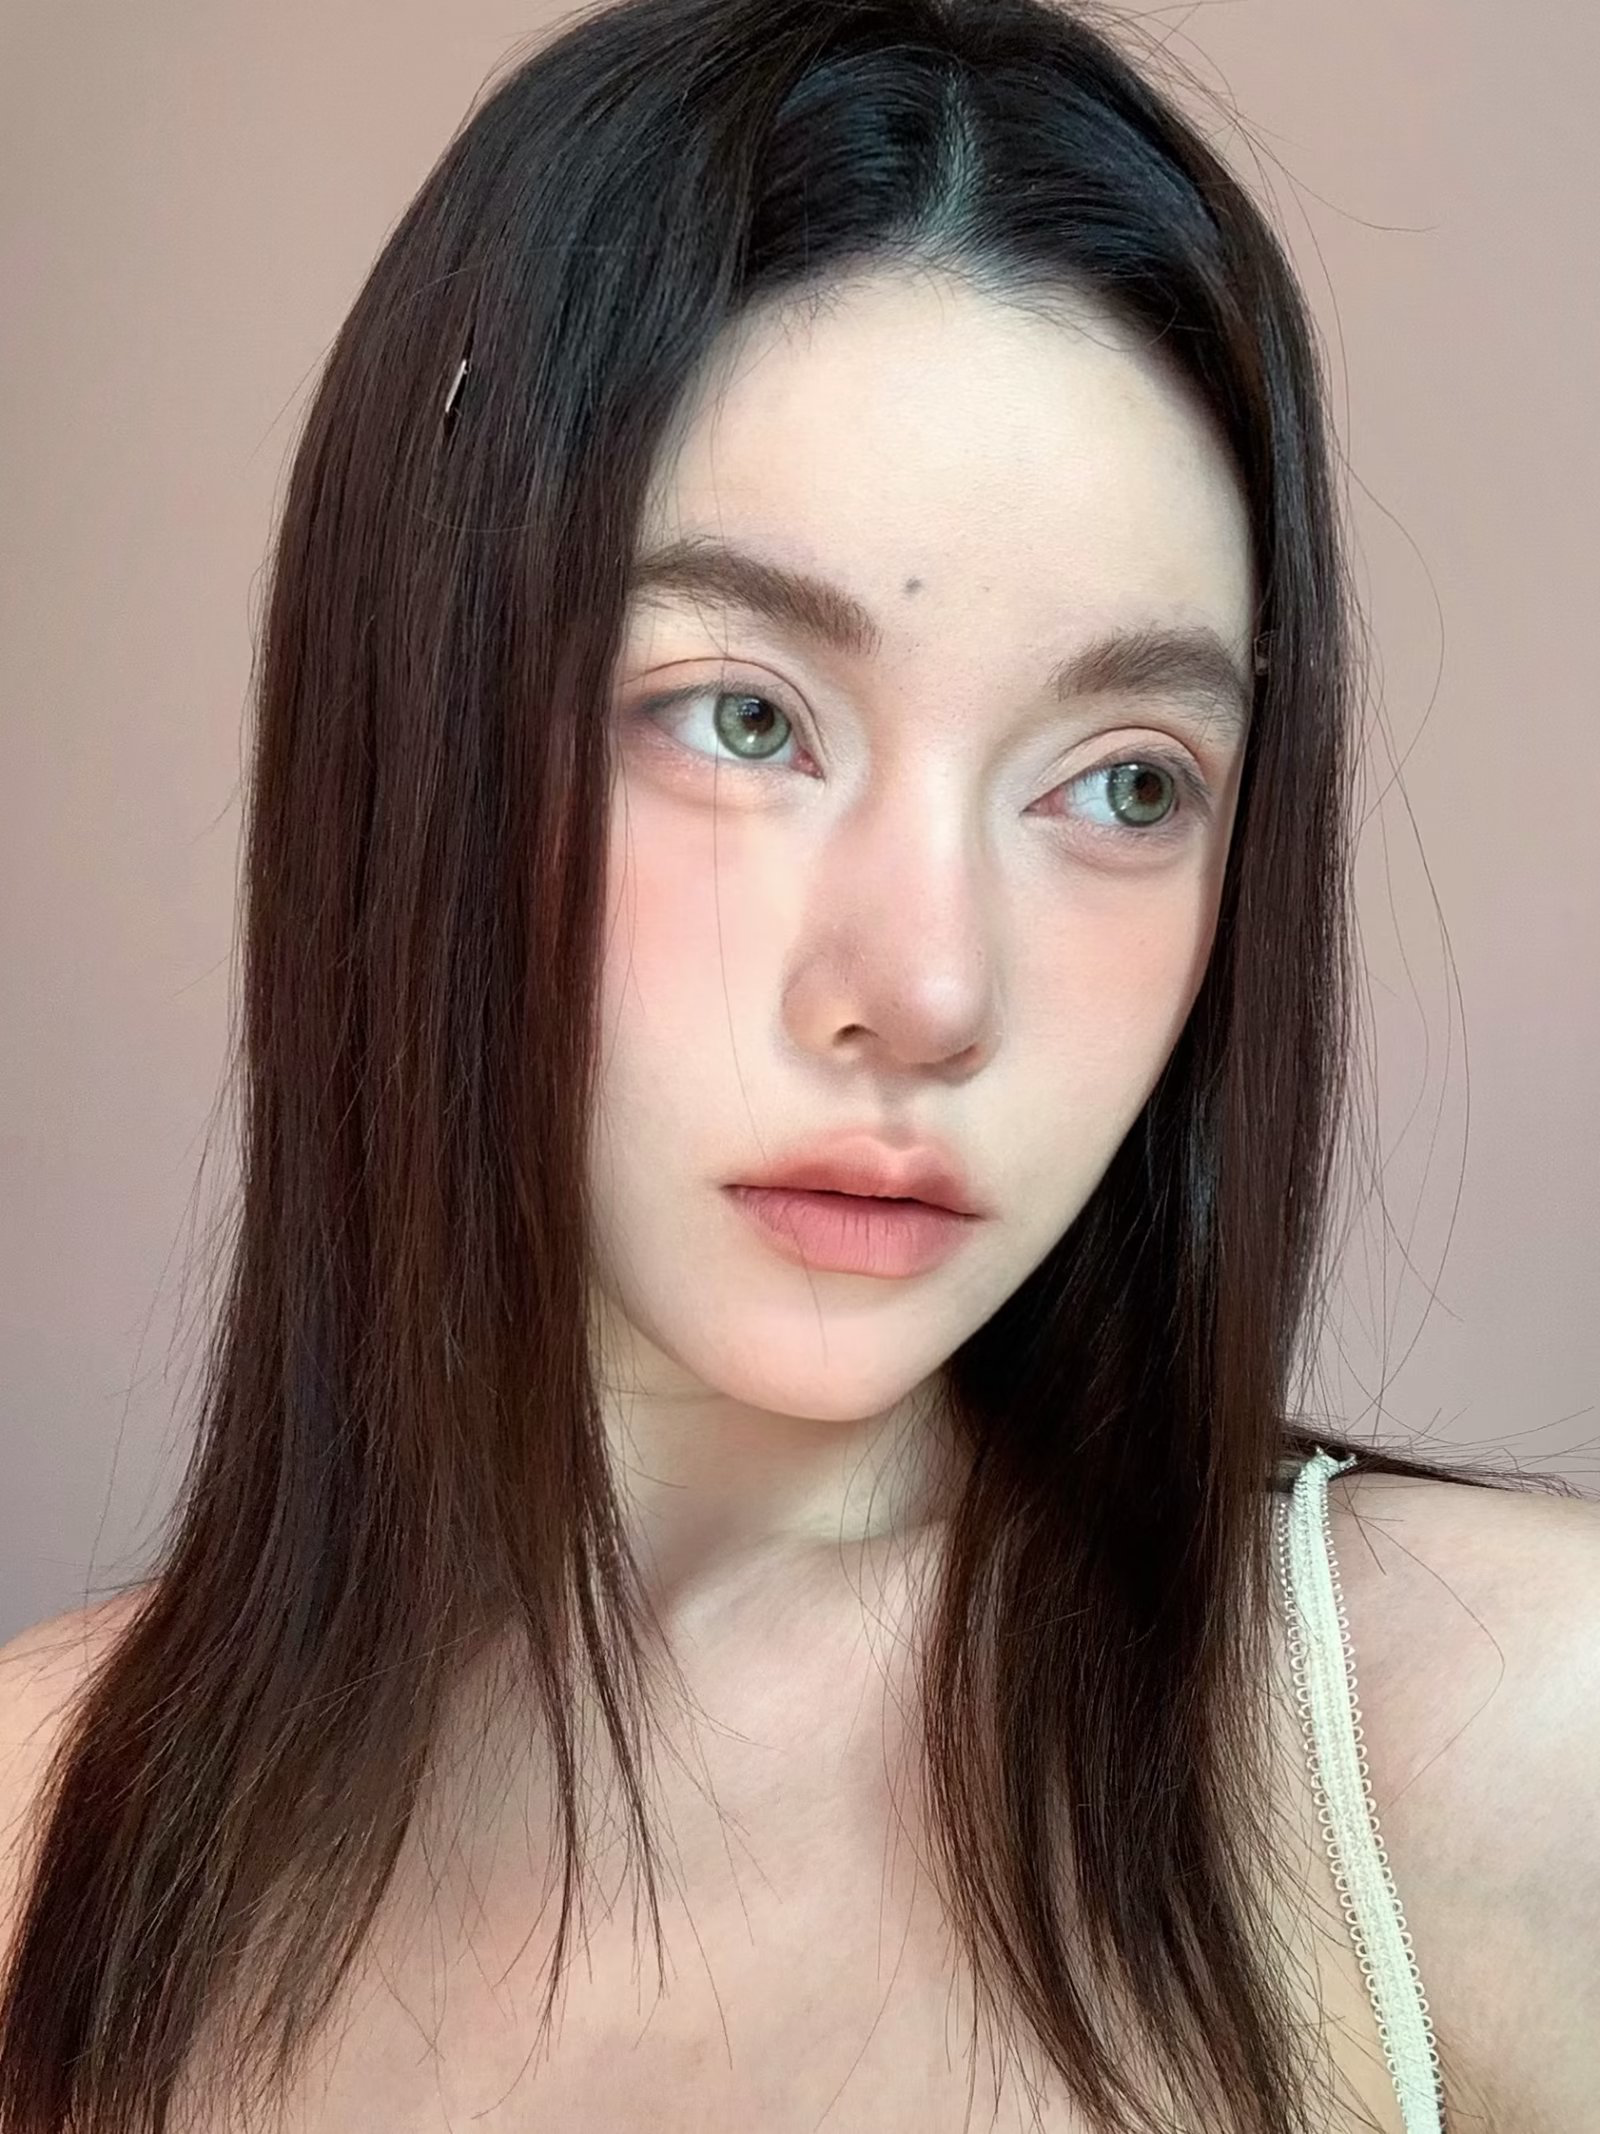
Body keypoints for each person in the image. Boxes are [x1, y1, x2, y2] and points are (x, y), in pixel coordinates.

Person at [1, 0, 1595, 2128]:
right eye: (744, 717)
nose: (926, 988)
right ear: (414, 730)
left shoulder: (1491, 1753)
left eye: (1126, 780)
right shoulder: (37, 1847)